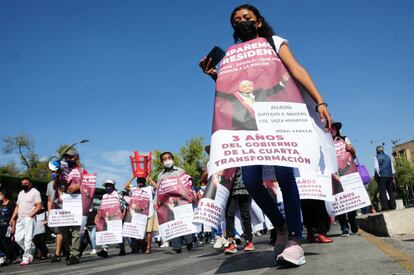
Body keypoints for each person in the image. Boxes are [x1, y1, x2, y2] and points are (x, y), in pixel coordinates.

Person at [200, 4, 332, 267]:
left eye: (247, 18)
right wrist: (216, 76)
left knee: (285, 176)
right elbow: (237, 92)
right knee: (250, 180)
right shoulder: (231, 55)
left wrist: (320, 101)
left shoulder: (274, 41)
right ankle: (281, 226)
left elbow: (296, 69)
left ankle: (294, 237)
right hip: (248, 124)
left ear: (258, 22)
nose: (242, 22)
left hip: (278, 118)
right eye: (236, 20)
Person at [155, 152, 194, 254]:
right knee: (173, 224)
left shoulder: (180, 171)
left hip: (182, 201)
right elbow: (158, 190)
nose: (167, 160)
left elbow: (188, 185)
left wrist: (191, 196)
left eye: (169, 158)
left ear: (173, 159)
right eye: (164, 159)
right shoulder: (160, 175)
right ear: (161, 162)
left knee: (184, 222)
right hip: (169, 203)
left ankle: (189, 242)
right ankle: (177, 247)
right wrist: (156, 202)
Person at [56, 147, 87, 265]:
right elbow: (57, 186)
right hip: (64, 203)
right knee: (63, 230)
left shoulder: (82, 170)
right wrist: (56, 177)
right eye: (67, 157)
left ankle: (74, 255)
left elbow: (89, 184)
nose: (68, 159)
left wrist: (78, 186)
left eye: (70, 157)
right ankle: (75, 247)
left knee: (76, 230)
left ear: (76, 158)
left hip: (77, 203)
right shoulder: (63, 171)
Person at [330, 122, 358, 236]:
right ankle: (344, 227)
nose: (331, 130)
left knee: (351, 198)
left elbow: (354, 154)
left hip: (348, 173)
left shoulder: (344, 139)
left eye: (333, 128)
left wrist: (351, 149)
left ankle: (352, 220)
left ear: (337, 129)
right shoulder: (324, 142)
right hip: (334, 176)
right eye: (329, 128)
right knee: (339, 201)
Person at [9, 178, 42, 266]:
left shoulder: (35, 192)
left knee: (28, 238)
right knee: (18, 239)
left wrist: (31, 214)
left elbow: (39, 206)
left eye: (26, 183)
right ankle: (32, 248)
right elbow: (17, 207)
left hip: (29, 218)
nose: (24, 184)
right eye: (23, 183)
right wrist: (12, 218)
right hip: (20, 219)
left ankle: (26, 258)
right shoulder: (20, 193)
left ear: (30, 184)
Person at [224, 168, 254, 254]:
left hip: (243, 183)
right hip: (229, 184)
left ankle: (249, 240)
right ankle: (231, 241)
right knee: (229, 213)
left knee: (245, 214)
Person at [124, 176, 158, 254]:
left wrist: (149, 177)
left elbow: (157, 187)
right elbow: (125, 186)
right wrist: (132, 177)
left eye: (142, 181)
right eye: (139, 181)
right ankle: (142, 245)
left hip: (149, 212)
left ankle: (148, 247)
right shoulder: (134, 188)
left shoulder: (149, 188)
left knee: (148, 231)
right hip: (138, 214)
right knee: (139, 230)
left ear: (145, 182)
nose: (140, 183)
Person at [96, 180, 127, 258]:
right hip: (106, 218)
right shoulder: (104, 196)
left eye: (109, 185)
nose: (107, 187)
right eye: (106, 186)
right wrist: (98, 215)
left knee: (118, 232)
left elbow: (124, 204)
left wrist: (124, 213)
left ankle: (122, 249)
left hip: (117, 217)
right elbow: (101, 207)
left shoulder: (118, 194)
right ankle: (104, 250)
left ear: (113, 186)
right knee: (106, 233)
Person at [46, 180, 64, 262]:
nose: (54, 173)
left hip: (66, 211)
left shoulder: (66, 181)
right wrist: (49, 214)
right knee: (58, 232)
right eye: (52, 171)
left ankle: (61, 252)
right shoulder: (49, 184)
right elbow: (49, 200)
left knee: (65, 233)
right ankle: (57, 253)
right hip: (55, 212)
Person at [374, 145, 396, 211]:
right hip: (389, 176)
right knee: (390, 192)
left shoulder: (376, 157)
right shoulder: (389, 157)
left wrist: (379, 175)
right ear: (383, 150)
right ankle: (393, 206)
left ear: (377, 151)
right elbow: (393, 169)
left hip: (382, 177)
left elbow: (376, 168)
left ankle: (385, 207)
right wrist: (393, 176)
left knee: (382, 192)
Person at [0, 189, 17, 266]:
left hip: (8, 226)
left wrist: (13, 226)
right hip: (1, 226)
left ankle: (11, 257)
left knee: (8, 242)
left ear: (3, 195)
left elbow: (14, 217)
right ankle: (6, 256)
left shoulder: (11, 203)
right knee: (1, 243)